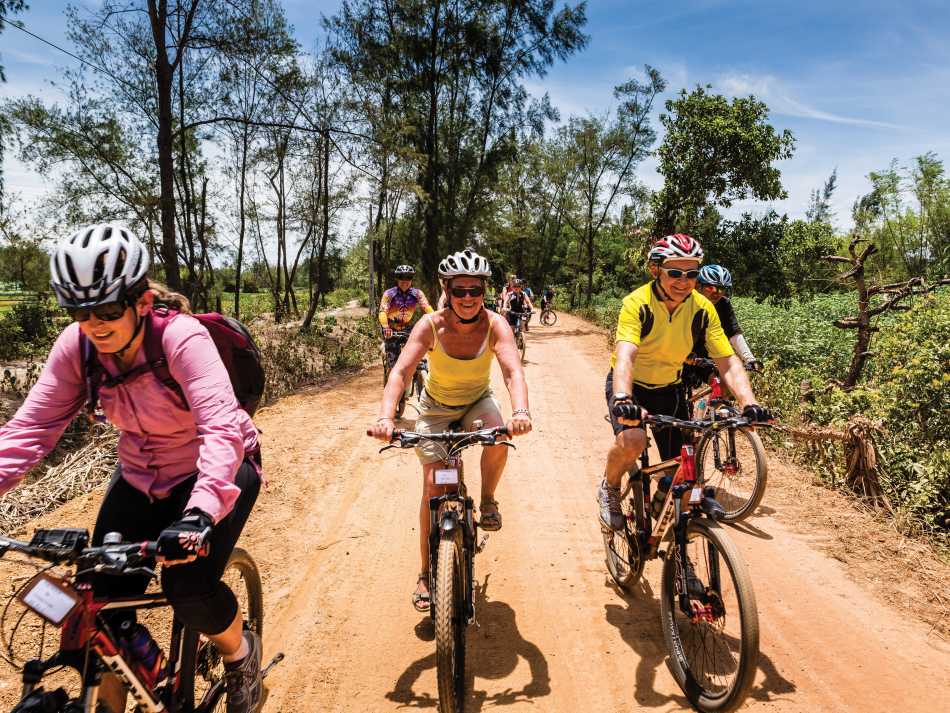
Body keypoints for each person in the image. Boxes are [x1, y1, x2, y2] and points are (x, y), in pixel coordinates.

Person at [0, 224, 264, 713]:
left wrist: (199, 515)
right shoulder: (78, 347)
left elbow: (220, 429)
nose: (94, 325)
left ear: (141, 301)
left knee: (188, 588)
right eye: (80, 312)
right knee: (91, 612)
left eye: (106, 311)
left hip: (215, 471)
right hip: (141, 478)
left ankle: (241, 653)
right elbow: (30, 430)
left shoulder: (181, 337)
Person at [369, 249, 531, 612]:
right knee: (433, 487)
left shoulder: (495, 325)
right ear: (446, 290)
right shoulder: (430, 326)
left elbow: (512, 372)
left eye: (476, 290)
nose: (468, 298)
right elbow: (400, 372)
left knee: (500, 434)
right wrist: (385, 418)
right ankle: (426, 573)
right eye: (460, 290)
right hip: (435, 410)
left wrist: (520, 411)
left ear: (485, 291)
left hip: (477, 403)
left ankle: (487, 499)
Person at [597, 234, 772, 530]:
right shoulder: (637, 303)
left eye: (691, 274)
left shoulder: (703, 309)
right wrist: (623, 398)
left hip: (669, 388)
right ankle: (610, 488)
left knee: (684, 472)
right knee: (633, 441)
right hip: (631, 386)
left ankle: (665, 514)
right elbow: (625, 354)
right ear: (656, 270)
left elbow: (728, 361)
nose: (684, 281)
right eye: (675, 273)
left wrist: (749, 403)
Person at [694, 264, 761, 369]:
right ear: (698, 286)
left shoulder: (723, 304)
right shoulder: (688, 303)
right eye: (711, 288)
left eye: (722, 289)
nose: (717, 293)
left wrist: (749, 359)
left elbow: (733, 332)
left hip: (707, 358)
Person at [378, 265, 434, 373]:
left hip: (407, 327)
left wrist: (437, 320)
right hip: (390, 329)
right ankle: (390, 377)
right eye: (401, 277)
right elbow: (382, 312)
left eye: (408, 277)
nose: (405, 281)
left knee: (419, 358)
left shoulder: (417, 293)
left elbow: (427, 307)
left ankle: (419, 377)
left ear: (412, 279)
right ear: (397, 278)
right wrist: (385, 327)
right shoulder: (389, 294)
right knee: (393, 366)